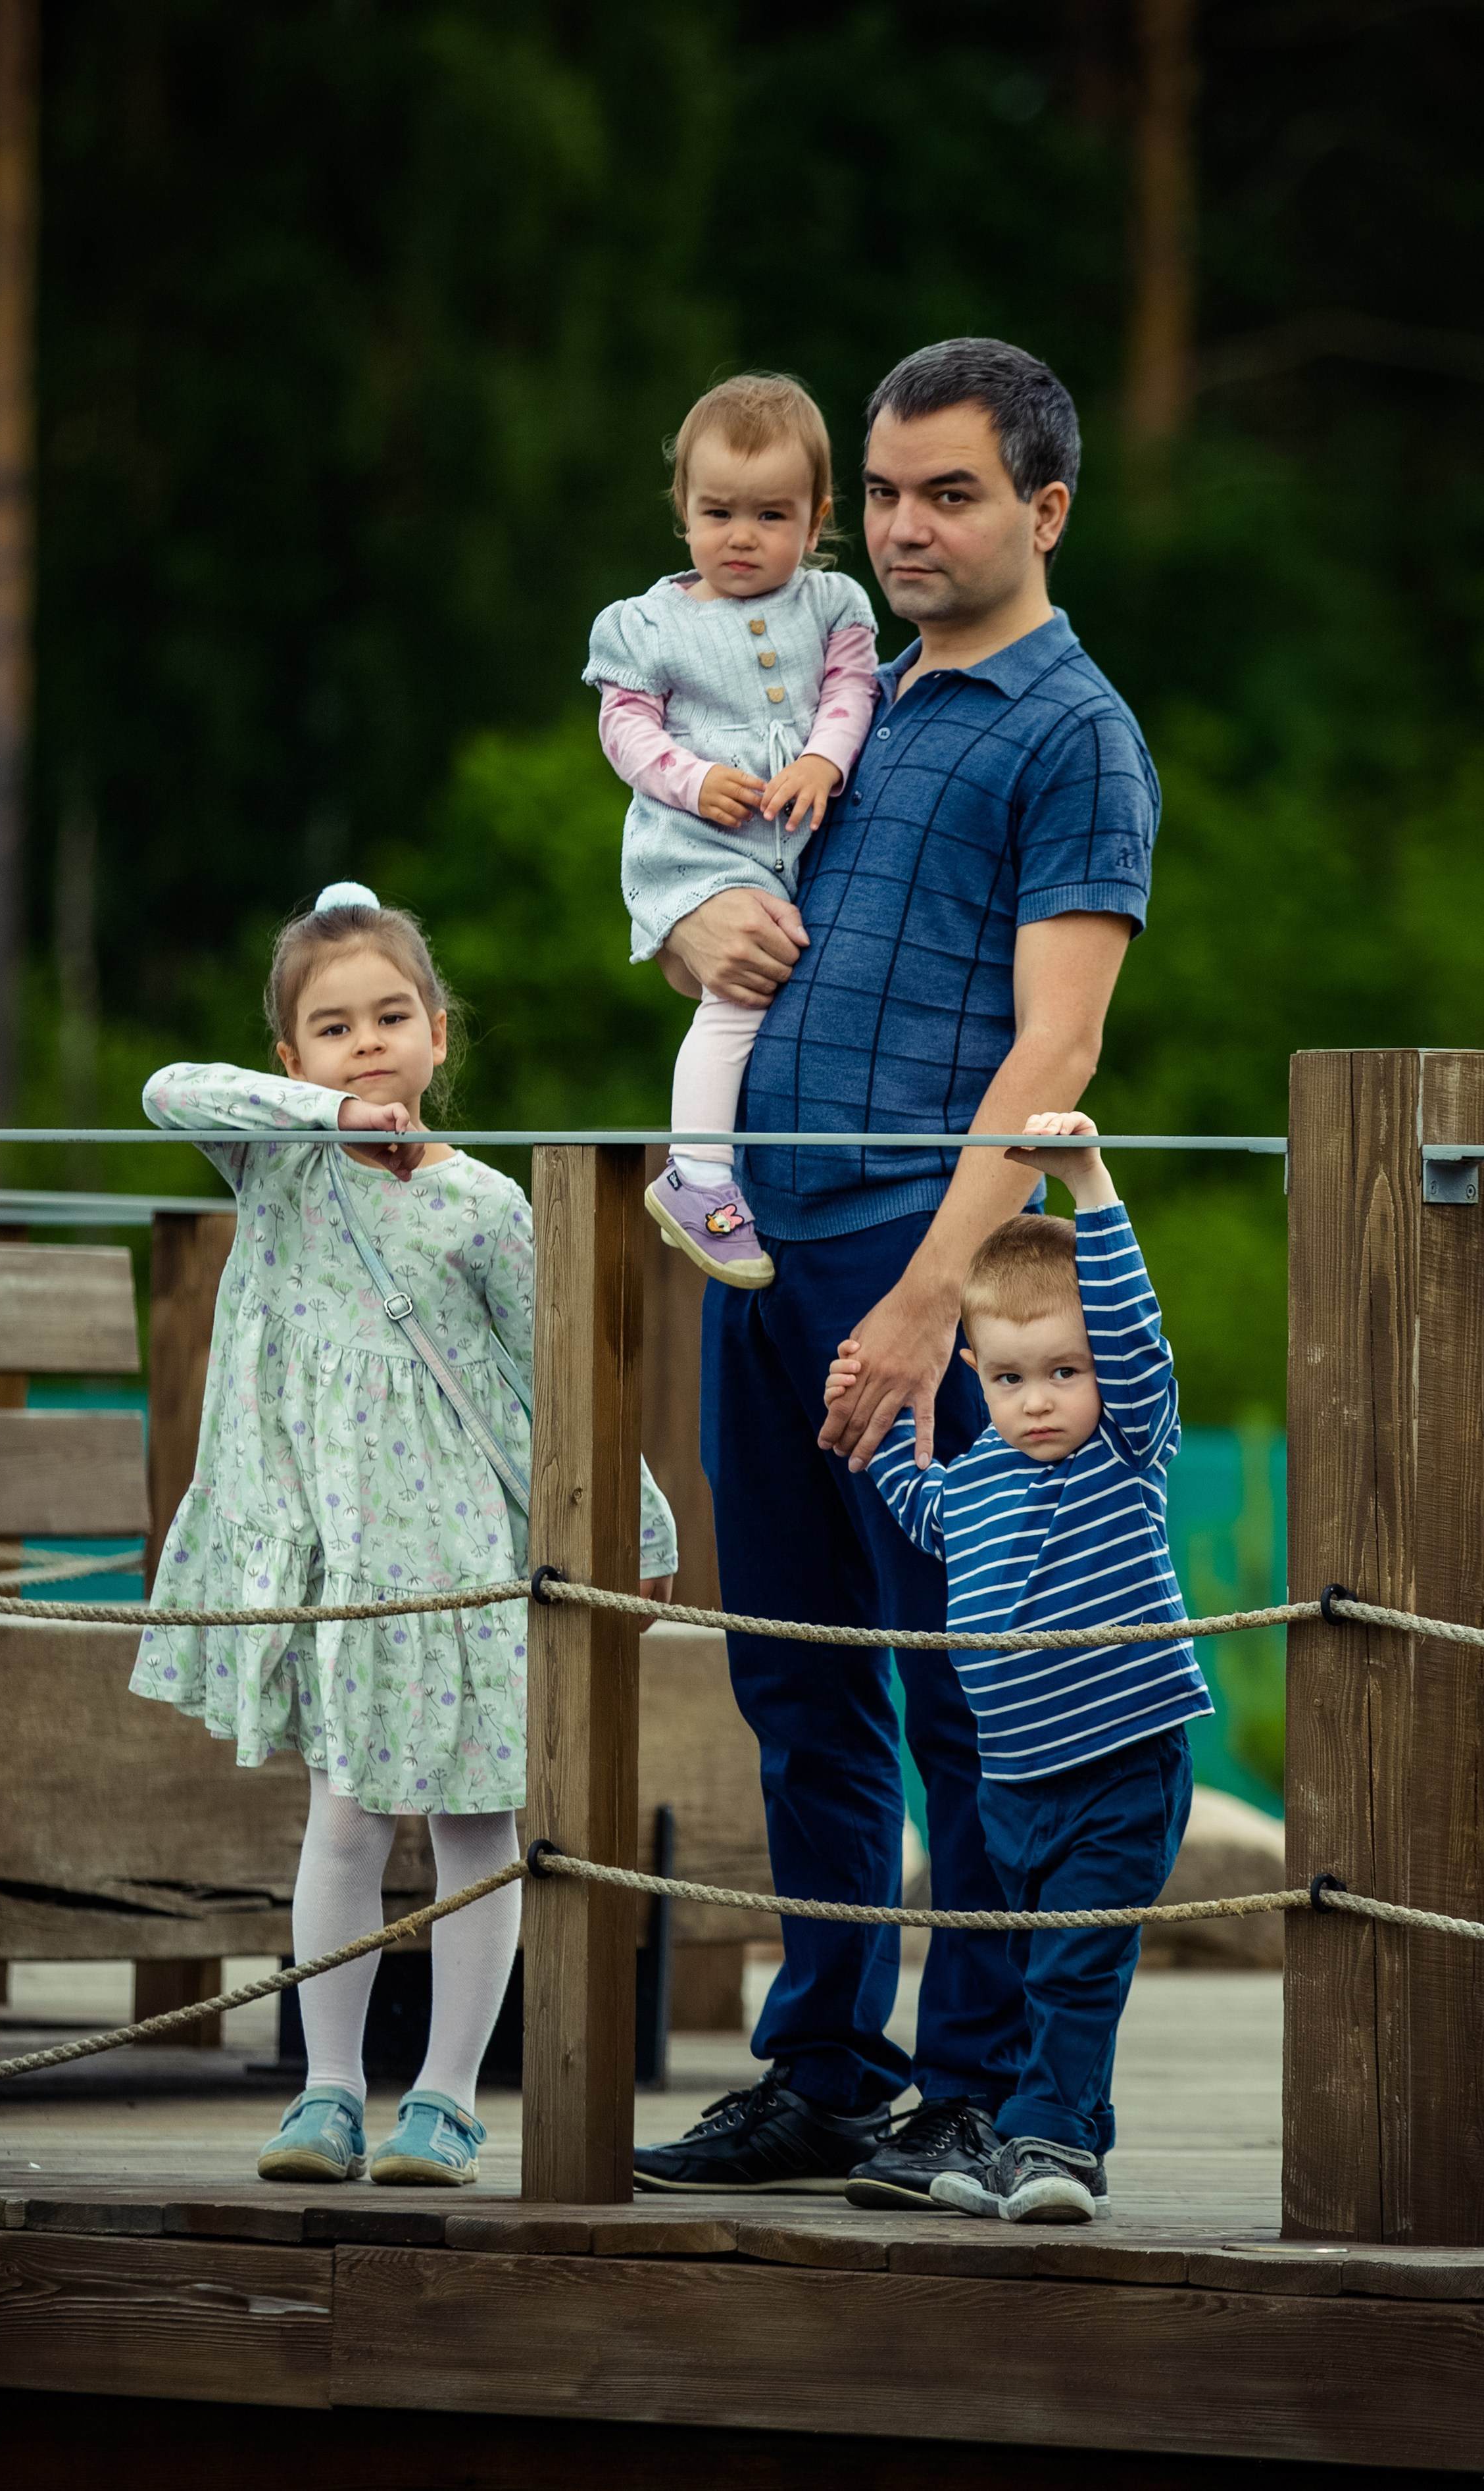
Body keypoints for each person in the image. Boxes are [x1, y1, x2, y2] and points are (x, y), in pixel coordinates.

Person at [632, 338, 1160, 2201]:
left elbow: (1057, 1051)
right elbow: (689, 865)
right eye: (882, 492)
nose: (904, 525)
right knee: (798, 1678)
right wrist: (691, 930)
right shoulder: (836, 687)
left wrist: (932, 1295)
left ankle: (979, 2086)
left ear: (1045, 507)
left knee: (966, 1687)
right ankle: (827, 2070)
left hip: (924, 1252)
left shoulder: (1073, 732)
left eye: (951, 492)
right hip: (767, 1245)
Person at [131, 883, 677, 2188]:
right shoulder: (278, 1165)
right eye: (332, 1028)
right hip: (340, 1565)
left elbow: (557, 1380)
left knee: (480, 1825)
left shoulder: (484, 1205)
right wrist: (324, 1117)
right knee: (345, 1819)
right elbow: (167, 1090)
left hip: (460, 1568)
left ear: (439, 1033)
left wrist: (641, 1523)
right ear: (292, 1058)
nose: (366, 1043)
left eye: (390, 1017)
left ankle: (445, 2101)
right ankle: (327, 2091)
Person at [828, 1112, 1211, 2223]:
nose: (1037, 1399)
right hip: (1012, 1782)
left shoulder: (1124, 1447)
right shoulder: (977, 1476)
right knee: (1040, 1971)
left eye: (1064, 1372)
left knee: (1074, 1967)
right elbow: (920, 1511)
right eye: (1007, 1378)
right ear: (976, 1377)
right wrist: (869, 1418)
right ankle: (1051, 2139)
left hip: (1117, 1764)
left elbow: (1132, 1333)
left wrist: (1088, 1183)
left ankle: (1048, 2143)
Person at [584, 373, 878, 1289]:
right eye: (718, 513)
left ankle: (739, 1165)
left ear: (816, 518)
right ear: (682, 509)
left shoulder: (834, 606)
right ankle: (697, 1173)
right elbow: (625, 730)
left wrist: (823, 761)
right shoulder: (647, 624)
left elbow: (852, 693)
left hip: (797, 841)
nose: (741, 537)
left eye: (770, 515)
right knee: (738, 995)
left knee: (781, 979)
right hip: (699, 846)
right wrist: (695, 778)